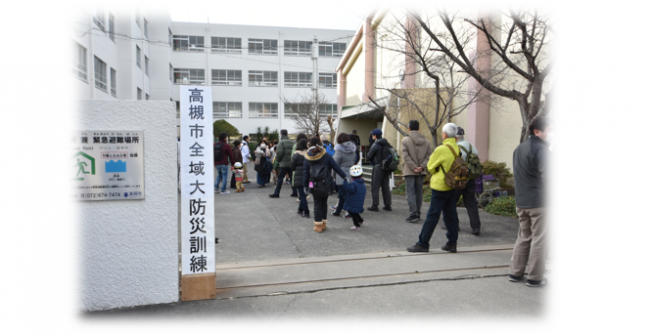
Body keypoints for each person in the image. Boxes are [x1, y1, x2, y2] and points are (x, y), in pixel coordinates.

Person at [508, 116, 552, 288]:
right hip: (540, 203)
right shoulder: (542, 150)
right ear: (538, 132)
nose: (551, 133)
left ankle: (515, 272)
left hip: (522, 201)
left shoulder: (519, 149)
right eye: (549, 130)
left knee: (524, 237)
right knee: (540, 239)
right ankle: (535, 277)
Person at [406, 123, 461, 253]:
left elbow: (430, 167)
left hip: (440, 186)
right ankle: (452, 243)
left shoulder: (441, 149)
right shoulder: (457, 148)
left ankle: (423, 243)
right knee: (451, 215)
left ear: (445, 134)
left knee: (433, 215)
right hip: (452, 185)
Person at [303, 137, 348, 233]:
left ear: (310, 145)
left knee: (317, 203)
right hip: (326, 183)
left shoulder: (307, 157)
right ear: (320, 143)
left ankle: (318, 226)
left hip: (312, 183)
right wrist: (345, 176)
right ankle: (323, 224)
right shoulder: (326, 155)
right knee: (324, 202)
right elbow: (336, 167)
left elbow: (306, 173)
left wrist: (305, 186)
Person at [452, 127, 482, 235]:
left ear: (455, 137)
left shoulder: (456, 148)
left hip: (460, 177)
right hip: (471, 177)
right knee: (471, 202)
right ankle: (476, 227)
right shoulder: (471, 146)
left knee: (451, 202)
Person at [401, 120, 432, 223]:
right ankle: (418, 213)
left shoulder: (405, 140)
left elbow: (405, 156)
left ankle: (413, 214)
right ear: (419, 129)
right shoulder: (426, 141)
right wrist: (421, 167)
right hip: (421, 171)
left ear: (409, 128)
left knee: (410, 192)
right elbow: (429, 156)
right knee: (419, 192)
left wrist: (413, 167)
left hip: (409, 170)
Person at [365, 129, 392, 212]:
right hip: (386, 167)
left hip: (378, 166)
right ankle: (388, 205)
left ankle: (375, 205)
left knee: (375, 186)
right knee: (385, 186)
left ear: (375, 136)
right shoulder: (387, 144)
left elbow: (369, 156)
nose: (372, 136)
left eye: (372, 135)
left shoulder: (376, 144)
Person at [331, 133, 356, 217]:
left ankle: (350, 212)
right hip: (350, 173)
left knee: (345, 195)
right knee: (342, 195)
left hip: (341, 174)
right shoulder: (352, 149)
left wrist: (333, 175)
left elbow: (335, 164)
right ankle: (338, 211)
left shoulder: (339, 150)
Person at [270, 130, 297, 198]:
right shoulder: (292, 142)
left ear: (281, 135)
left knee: (280, 178)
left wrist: (279, 161)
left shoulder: (281, 143)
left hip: (284, 164)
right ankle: (295, 192)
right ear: (287, 134)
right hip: (291, 163)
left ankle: (276, 193)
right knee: (292, 178)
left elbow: (279, 153)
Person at [338, 165, 367, 231]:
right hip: (359, 201)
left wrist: (345, 183)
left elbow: (350, 189)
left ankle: (357, 225)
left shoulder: (354, 183)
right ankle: (361, 221)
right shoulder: (362, 183)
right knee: (355, 212)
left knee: (353, 213)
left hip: (353, 201)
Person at [290, 139, 310, 218]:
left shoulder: (296, 154)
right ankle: (300, 209)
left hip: (298, 176)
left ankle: (306, 211)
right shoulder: (309, 154)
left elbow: (292, 167)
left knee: (302, 195)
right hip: (308, 176)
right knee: (304, 193)